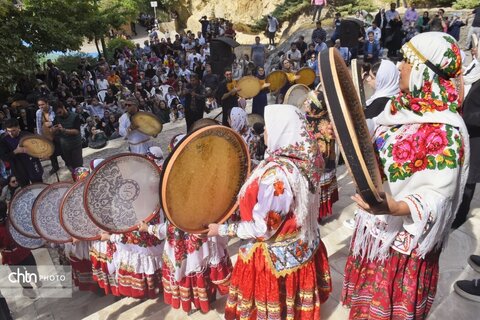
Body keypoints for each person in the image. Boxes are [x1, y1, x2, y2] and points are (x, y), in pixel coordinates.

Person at [341, 32, 468, 319]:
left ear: (424, 71)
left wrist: (395, 207)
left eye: (407, 61)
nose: (399, 67)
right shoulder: (398, 110)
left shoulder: (446, 129)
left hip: (404, 249)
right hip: (376, 234)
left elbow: (439, 196)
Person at [207, 104, 331, 319]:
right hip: (301, 241)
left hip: (275, 251)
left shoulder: (277, 176)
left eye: (268, 127)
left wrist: (222, 229)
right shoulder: (303, 158)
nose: (264, 131)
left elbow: (263, 228)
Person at [139, 142, 232, 313]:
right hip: (207, 240)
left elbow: (170, 230)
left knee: (191, 269)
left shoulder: (175, 197)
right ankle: (208, 299)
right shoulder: (207, 188)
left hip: (189, 249)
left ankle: (197, 304)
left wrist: (148, 229)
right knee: (205, 268)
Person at [304, 91, 339, 219]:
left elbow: (324, 149)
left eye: (309, 101)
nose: (305, 103)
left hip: (319, 164)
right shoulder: (306, 117)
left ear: (316, 105)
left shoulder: (325, 123)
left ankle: (318, 214)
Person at [0, 200, 40, 298]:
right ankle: (36, 281)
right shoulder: (13, 219)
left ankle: (30, 291)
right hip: (22, 249)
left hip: (11, 256)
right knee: (31, 267)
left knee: (20, 275)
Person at [0, 119, 43, 187]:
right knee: (25, 189)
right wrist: (16, 151)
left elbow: (39, 146)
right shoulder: (4, 141)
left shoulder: (27, 134)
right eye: (8, 131)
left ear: (18, 127)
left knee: (39, 185)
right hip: (18, 169)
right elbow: (4, 157)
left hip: (32, 165)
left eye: (13, 130)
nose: (11, 133)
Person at [51, 100, 83, 171]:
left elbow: (76, 131)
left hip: (75, 145)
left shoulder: (74, 116)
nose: (59, 114)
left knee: (78, 165)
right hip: (65, 146)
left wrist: (64, 130)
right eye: (57, 113)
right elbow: (54, 131)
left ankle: (81, 179)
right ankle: (75, 178)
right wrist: (53, 130)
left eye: (60, 112)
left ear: (63, 107)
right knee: (69, 165)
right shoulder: (57, 118)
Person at [36, 97, 59, 174]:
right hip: (47, 134)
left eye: (42, 104)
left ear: (47, 103)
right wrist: (40, 137)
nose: (41, 106)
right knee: (51, 151)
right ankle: (55, 166)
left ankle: (68, 163)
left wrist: (51, 123)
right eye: (39, 105)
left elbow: (57, 120)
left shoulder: (54, 109)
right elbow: (38, 125)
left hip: (57, 132)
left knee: (61, 149)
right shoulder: (38, 112)